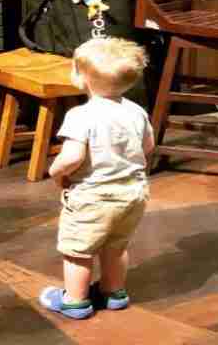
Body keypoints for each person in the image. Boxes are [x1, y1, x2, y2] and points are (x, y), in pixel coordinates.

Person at [39, 37, 153, 320]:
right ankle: (114, 293)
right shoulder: (136, 111)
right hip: (133, 193)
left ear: (82, 79)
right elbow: (148, 146)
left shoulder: (81, 115)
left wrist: (54, 171)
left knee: (78, 251)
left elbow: (72, 157)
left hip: (94, 197)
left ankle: (75, 301)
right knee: (116, 246)